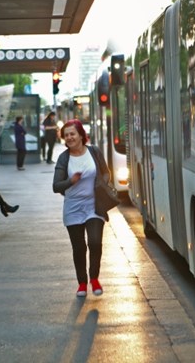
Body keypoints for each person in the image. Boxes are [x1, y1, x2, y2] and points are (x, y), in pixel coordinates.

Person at [52, 119, 111, 297]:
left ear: (80, 135)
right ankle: (82, 283)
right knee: (79, 248)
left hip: (94, 205)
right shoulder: (64, 158)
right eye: (66, 135)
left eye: (72, 134)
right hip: (73, 208)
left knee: (94, 242)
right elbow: (56, 186)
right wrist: (71, 181)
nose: (69, 137)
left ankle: (94, 278)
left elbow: (106, 172)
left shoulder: (94, 152)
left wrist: (103, 185)